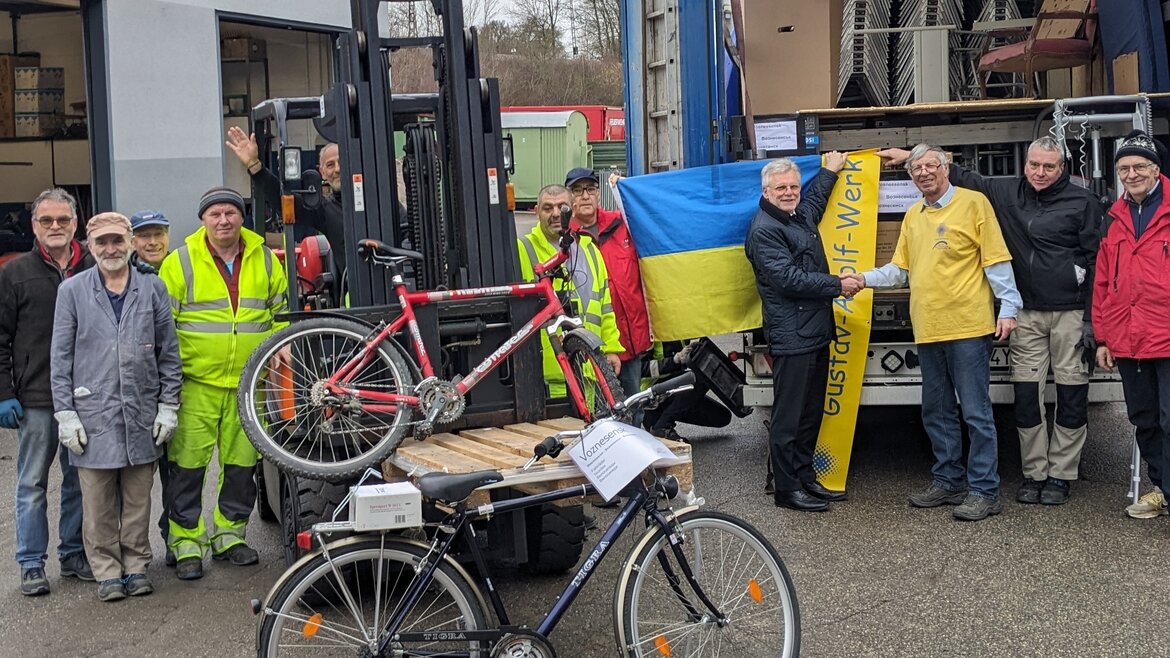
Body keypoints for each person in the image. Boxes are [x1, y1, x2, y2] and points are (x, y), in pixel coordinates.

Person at [878, 138, 1103, 505]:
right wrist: (911, 155)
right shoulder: (1003, 192)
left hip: (1065, 311)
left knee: (1069, 395)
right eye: (1034, 165)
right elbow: (966, 177)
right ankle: (1027, 474)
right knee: (1024, 398)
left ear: (1062, 168)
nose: (1040, 173)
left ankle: (1054, 477)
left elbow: (1098, 262)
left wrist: (1094, 320)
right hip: (996, 317)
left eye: (1049, 166)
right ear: (1025, 163)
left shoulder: (1082, 202)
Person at [848, 144, 1022, 522]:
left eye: (931, 166)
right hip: (927, 327)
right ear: (911, 176)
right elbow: (900, 270)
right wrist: (863, 278)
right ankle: (948, 481)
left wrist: (1009, 306)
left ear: (946, 168)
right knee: (937, 410)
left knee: (975, 412)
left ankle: (984, 490)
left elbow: (996, 259)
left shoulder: (974, 204)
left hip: (968, 327)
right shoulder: (913, 215)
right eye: (917, 168)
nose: (924, 172)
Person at [50, 212, 182, 601]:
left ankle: (137, 566)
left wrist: (167, 405)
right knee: (98, 502)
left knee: (139, 498)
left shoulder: (151, 288)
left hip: (141, 410)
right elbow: (60, 357)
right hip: (93, 415)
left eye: (117, 241)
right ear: (90, 247)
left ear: (129, 243)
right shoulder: (72, 292)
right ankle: (107, 571)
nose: (111, 249)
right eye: (102, 242)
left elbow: (168, 355)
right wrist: (65, 413)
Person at [158, 186, 288, 580]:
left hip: (249, 382)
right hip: (195, 383)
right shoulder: (179, 262)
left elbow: (280, 310)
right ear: (203, 220)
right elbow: (164, 326)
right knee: (187, 468)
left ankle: (230, 537)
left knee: (240, 466)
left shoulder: (265, 259)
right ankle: (186, 543)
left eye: (230, 212)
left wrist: (281, 341)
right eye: (214, 214)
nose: (223, 220)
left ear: (241, 217)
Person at [745, 153, 854, 513]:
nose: (790, 192)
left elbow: (813, 204)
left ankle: (805, 477)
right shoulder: (764, 230)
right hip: (792, 336)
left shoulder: (794, 216)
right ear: (766, 191)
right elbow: (788, 279)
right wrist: (837, 285)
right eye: (782, 188)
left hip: (814, 332)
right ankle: (787, 489)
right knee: (788, 418)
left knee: (810, 413)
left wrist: (828, 172)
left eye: (793, 185)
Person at [0, 187, 95, 596]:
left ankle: (73, 554)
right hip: (36, 398)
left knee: (78, 482)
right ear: (34, 226)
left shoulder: (95, 266)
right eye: (46, 221)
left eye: (63, 220)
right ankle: (31, 563)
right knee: (32, 484)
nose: (55, 227)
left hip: (85, 396)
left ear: (75, 224)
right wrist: (5, 391)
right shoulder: (15, 273)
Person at [1093, 130, 1170, 521]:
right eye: (1125, 167)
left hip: (1166, 334)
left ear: (1156, 170)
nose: (1132, 173)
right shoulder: (1114, 218)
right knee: (1143, 419)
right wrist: (1103, 337)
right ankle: (1161, 489)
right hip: (1128, 337)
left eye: (1140, 166)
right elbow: (1103, 281)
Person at [516, 184, 623, 398]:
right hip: (548, 374)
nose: (555, 214)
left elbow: (605, 307)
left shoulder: (590, 250)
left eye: (561, 207)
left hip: (590, 369)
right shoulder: (524, 249)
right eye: (547, 208)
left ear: (572, 210)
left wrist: (611, 348)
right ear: (536, 212)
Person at [565, 168, 652, 400]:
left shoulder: (622, 224)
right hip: (590, 343)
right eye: (577, 190)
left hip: (628, 339)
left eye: (590, 189)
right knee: (600, 411)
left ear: (598, 194)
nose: (585, 195)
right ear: (570, 198)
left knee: (634, 407)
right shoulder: (566, 239)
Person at [129, 208, 177, 562]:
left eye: (158, 233)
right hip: (137, 393)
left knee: (176, 474)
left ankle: (173, 538)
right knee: (133, 482)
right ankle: (130, 551)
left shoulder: (179, 270)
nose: (152, 241)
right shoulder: (119, 276)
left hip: (176, 387)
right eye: (144, 235)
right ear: (133, 241)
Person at [639, 341, 733, 443]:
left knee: (722, 417)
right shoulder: (650, 332)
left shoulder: (679, 329)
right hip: (651, 397)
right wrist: (674, 360)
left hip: (671, 392)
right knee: (701, 377)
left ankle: (664, 419)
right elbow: (641, 368)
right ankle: (662, 427)